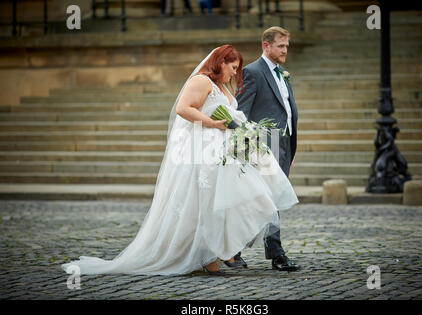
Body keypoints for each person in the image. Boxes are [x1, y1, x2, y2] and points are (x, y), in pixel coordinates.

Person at [61, 45, 299, 276]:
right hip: (203, 150)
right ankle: (210, 257)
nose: (235, 73)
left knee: (237, 198)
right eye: (233, 67)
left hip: (223, 150)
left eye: (237, 68)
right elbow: (183, 109)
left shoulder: (222, 86)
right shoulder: (202, 81)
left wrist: (244, 130)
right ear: (220, 63)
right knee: (206, 204)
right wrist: (213, 123)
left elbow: (233, 113)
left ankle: (223, 251)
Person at [236, 26, 301, 271]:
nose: (285, 50)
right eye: (280, 46)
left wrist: (289, 148)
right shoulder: (252, 72)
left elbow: (286, 110)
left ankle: (272, 252)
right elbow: (241, 113)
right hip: (263, 145)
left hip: (282, 144)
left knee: (273, 200)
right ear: (266, 45)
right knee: (255, 200)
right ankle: (238, 250)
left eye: (286, 46)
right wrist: (249, 149)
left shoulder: (282, 73)